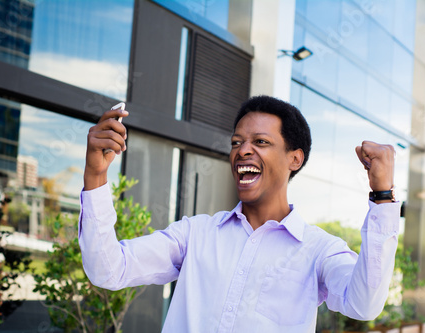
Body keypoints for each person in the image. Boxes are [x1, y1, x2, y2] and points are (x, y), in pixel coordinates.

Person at [79, 95, 400, 333]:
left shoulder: (319, 251)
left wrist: (383, 197)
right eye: (237, 142)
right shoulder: (196, 234)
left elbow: (363, 303)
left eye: (260, 141)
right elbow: (108, 269)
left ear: (295, 159)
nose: (243, 150)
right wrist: (96, 175)